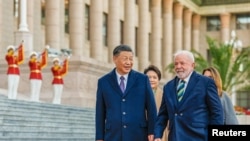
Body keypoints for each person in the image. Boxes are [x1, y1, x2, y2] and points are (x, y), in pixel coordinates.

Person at [154, 50, 223, 141]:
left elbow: (217, 113)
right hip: (175, 137)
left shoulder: (206, 83)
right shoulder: (168, 87)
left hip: (198, 137)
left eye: (182, 63)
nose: (178, 66)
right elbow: (163, 114)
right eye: (176, 64)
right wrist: (157, 135)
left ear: (192, 65)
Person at [95, 44, 157, 141]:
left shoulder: (142, 80)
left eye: (131, 59)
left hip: (138, 134)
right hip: (113, 135)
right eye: (125, 59)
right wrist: (99, 137)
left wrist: (152, 131)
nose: (128, 62)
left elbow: (151, 108)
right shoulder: (103, 82)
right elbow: (100, 112)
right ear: (115, 59)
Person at [144, 65, 168, 141]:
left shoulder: (164, 95)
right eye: (149, 77)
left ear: (158, 80)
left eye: (154, 77)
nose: (151, 80)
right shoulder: (139, 95)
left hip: (159, 133)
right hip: (143, 132)